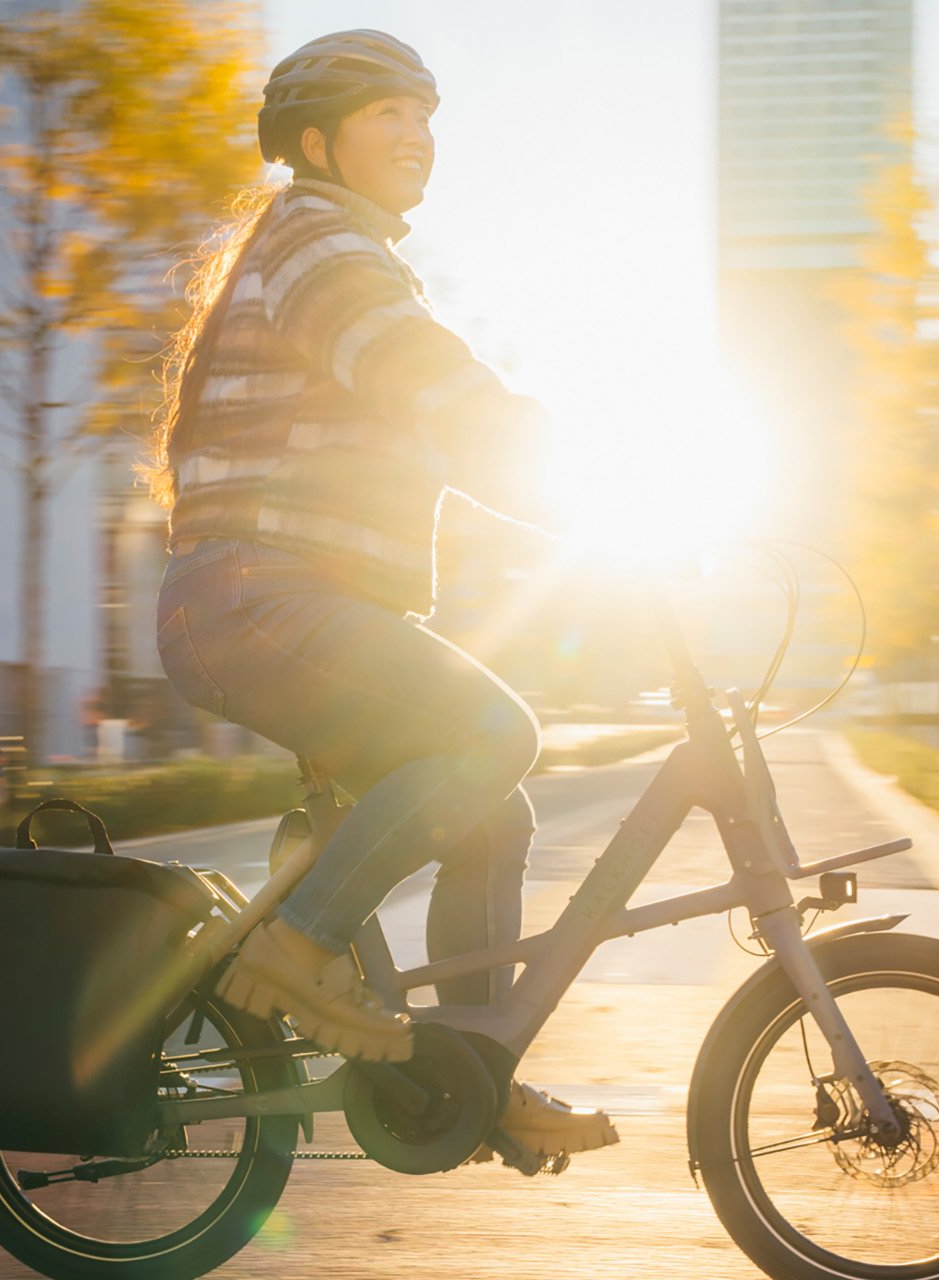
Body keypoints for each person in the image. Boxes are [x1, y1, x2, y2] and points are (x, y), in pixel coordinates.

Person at [140, 29, 616, 1166]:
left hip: (268, 601)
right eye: (389, 115)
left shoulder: (335, 248)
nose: (419, 135)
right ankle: (298, 950)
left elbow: (445, 440)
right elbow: (435, 385)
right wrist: (606, 493)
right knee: (495, 732)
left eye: (427, 116)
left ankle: (472, 1068)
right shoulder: (319, 245)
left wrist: (585, 526)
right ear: (318, 144)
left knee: (491, 811)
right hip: (256, 599)